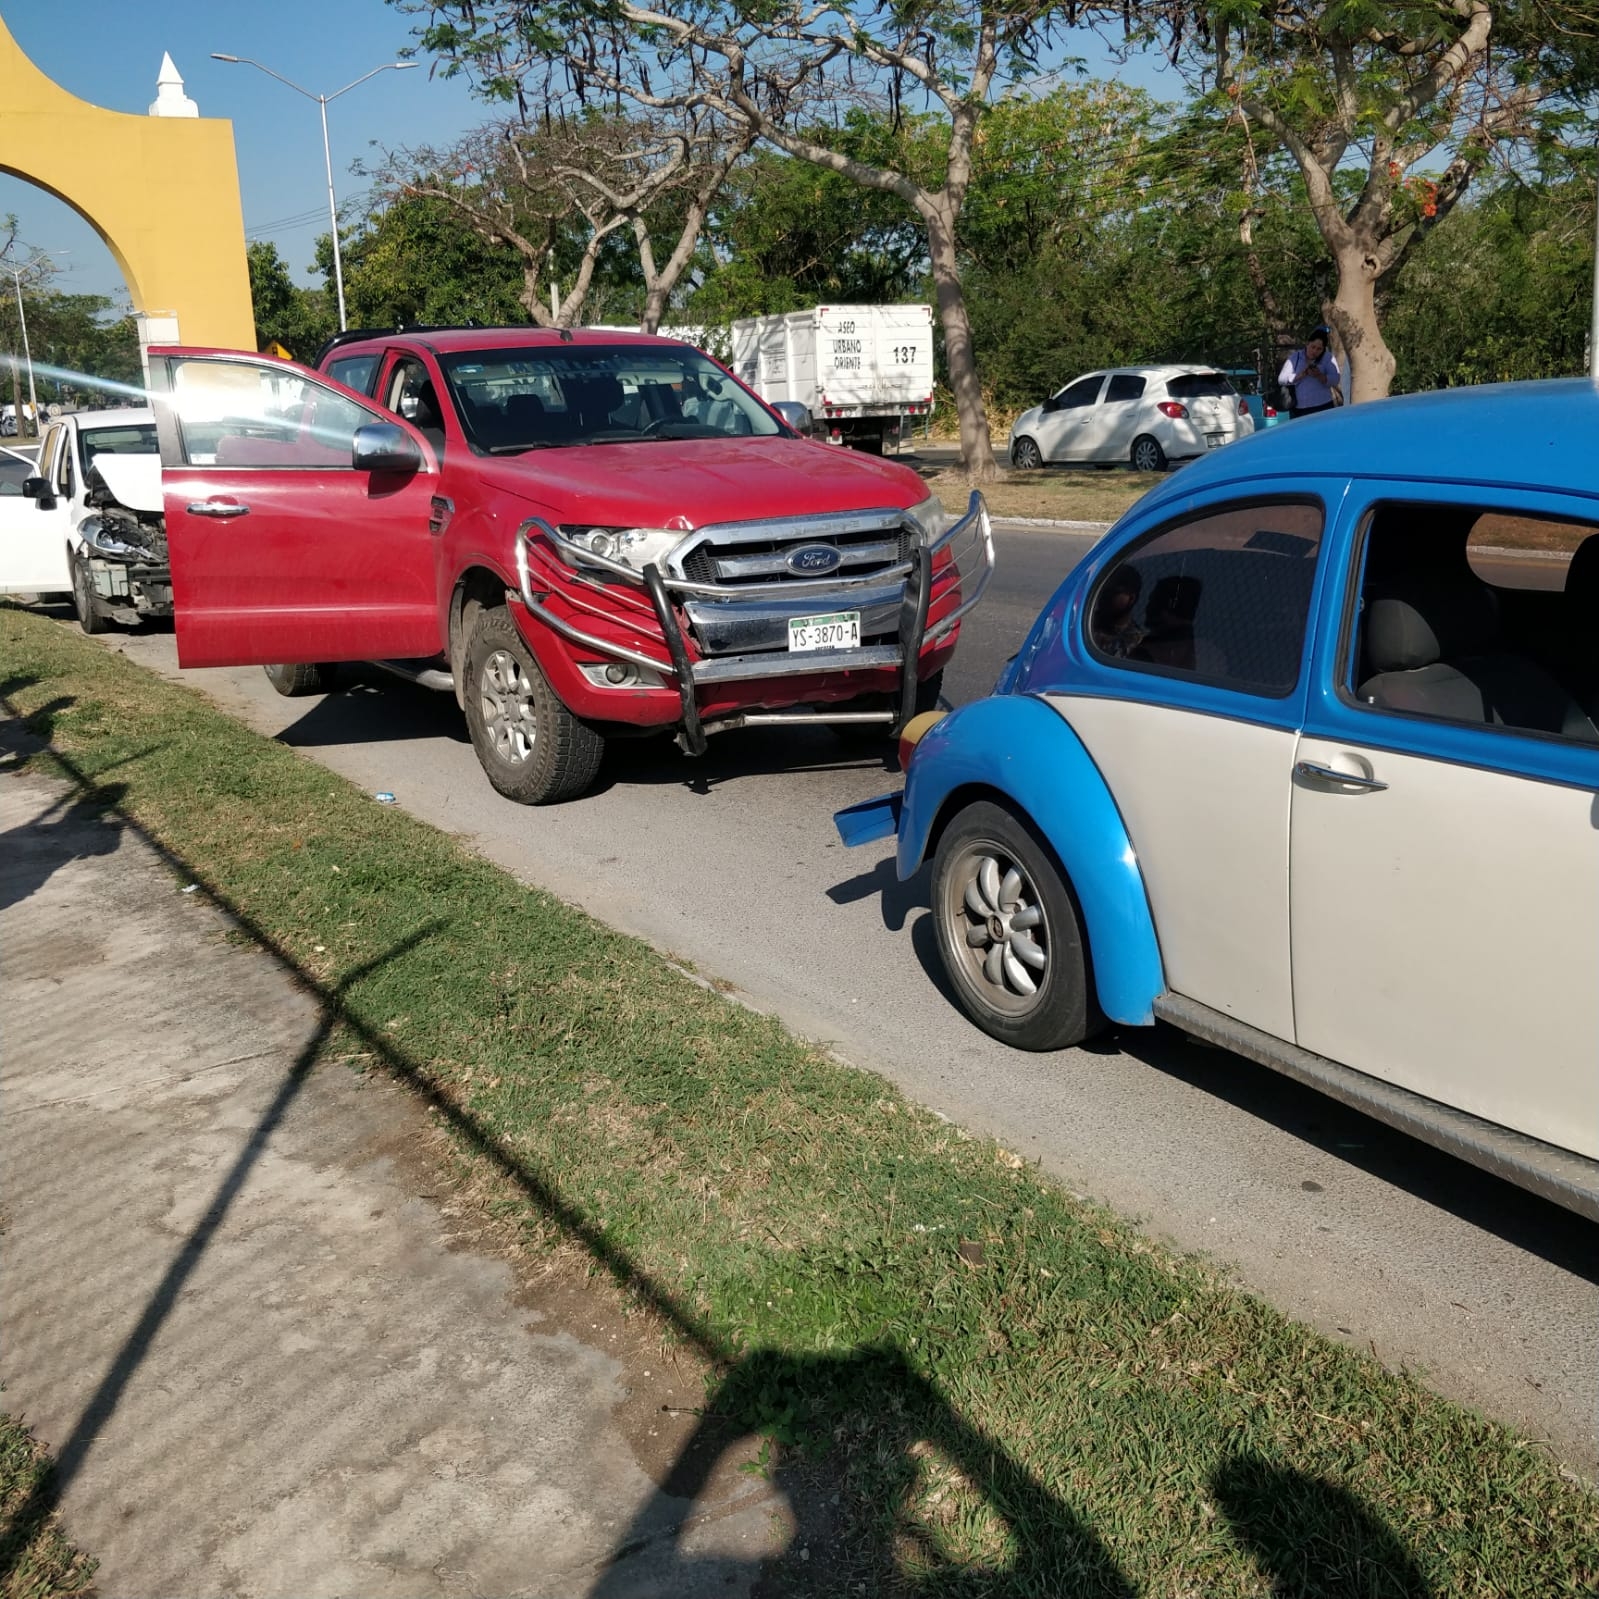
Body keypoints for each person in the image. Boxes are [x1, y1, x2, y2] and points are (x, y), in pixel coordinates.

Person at [1278, 327, 1342, 418]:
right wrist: (1298, 376)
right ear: (1307, 344)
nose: (1314, 351)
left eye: (1319, 349)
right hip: (1300, 409)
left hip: (1323, 406)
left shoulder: (1327, 358)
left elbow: (1336, 378)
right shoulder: (1296, 357)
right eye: (1313, 347)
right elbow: (1281, 379)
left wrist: (1320, 376)